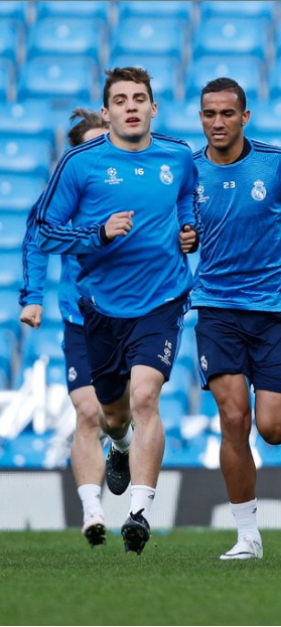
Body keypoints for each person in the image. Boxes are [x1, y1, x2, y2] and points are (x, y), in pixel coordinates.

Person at [37, 66, 200, 555]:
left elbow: (188, 198)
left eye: (140, 98)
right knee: (112, 415)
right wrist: (99, 234)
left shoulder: (177, 156)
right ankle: (121, 448)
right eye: (121, 100)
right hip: (101, 306)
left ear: (154, 107)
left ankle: (140, 513)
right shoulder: (80, 164)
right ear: (106, 113)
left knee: (146, 396)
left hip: (162, 298)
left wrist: (188, 230)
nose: (132, 106)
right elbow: (45, 232)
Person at [191, 77, 281, 560]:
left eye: (227, 113)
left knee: (274, 429)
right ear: (201, 118)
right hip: (215, 309)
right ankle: (247, 535)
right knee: (233, 418)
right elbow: (170, 231)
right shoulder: (187, 172)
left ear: (244, 117)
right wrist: (180, 240)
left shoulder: (277, 166)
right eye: (209, 114)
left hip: (274, 311)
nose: (217, 122)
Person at [20, 108, 111, 547]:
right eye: (89, 147)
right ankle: (92, 511)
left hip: (134, 318)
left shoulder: (136, 182)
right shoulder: (62, 195)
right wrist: (33, 298)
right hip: (80, 318)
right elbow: (36, 237)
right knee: (89, 412)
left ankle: (126, 447)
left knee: (120, 415)